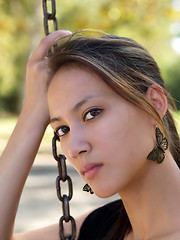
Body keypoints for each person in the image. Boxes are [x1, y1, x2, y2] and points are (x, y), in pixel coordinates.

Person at [0, 29, 180, 240]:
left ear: (154, 104)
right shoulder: (100, 228)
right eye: (62, 130)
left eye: (92, 113)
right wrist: (31, 117)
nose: (74, 148)